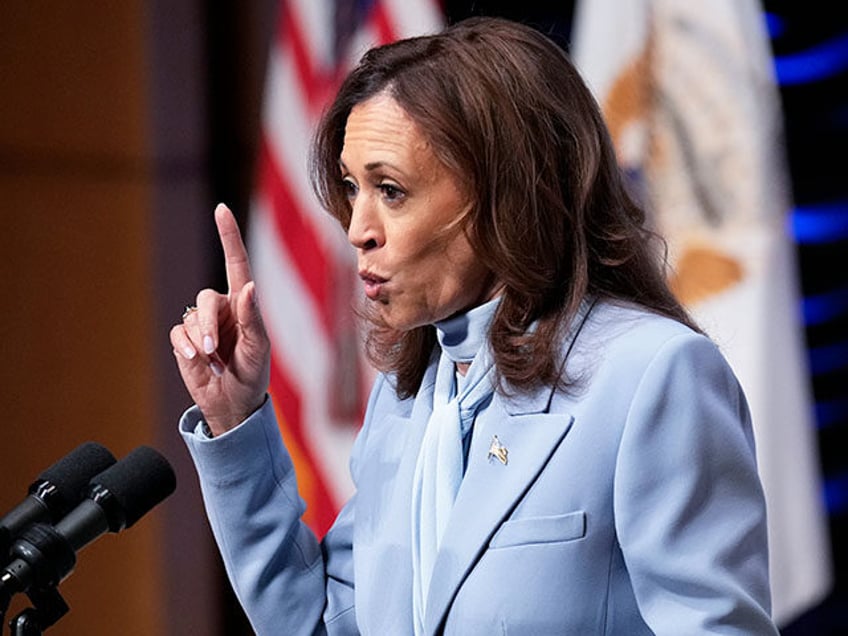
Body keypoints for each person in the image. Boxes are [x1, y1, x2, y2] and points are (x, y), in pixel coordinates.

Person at [170, 16, 779, 635]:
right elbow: (322, 627)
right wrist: (236, 420)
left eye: (391, 189)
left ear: (506, 194)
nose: (358, 229)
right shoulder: (406, 400)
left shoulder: (651, 376)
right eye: (353, 189)